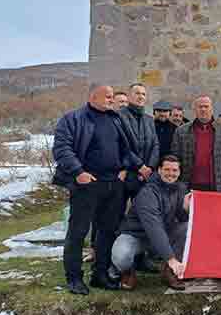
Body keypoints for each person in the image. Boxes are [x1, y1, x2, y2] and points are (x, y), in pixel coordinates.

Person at [53, 85, 140, 295]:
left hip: (113, 185)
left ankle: (99, 275)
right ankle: (74, 278)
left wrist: (132, 167)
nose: (112, 100)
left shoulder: (115, 119)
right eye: (108, 96)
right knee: (78, 232)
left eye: (112, 97)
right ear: (93, 97)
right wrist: (78, 171)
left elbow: (125, 149)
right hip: (87, 184)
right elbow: (61, 149)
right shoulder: (72, 119)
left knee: (107, 231)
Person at [109, 155, 191, 291]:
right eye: (167, 169)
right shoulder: (148, 192)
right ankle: (128, 271)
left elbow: (181, 219)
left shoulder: (180, 188)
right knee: (122, 255)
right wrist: (171, 258)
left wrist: (186, 208)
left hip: (161, 236)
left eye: (174, 170)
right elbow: (154, 227)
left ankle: (168, 271)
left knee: (188, 228)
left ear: (179, 172)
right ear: (159, 170)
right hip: (136, 236)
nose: (171, 174)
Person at [171, 95, 221, 192]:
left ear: (212, 109)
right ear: (194, 109)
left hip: (217, 185)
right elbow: (175, 157)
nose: (203, 109)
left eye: (206, 106)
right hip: (190, 185)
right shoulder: (181, 131)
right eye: (200, 106)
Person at [119, 83, 159, 201]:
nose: (141, 96)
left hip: (146, 176)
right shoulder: (119, 117)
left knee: (143, 212)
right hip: (127, 174)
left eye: (143, 94)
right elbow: (121, 145)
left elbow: (155, 145)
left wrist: (150, 167)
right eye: (137, 93)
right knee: (118, 213)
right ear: (129, 96)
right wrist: (140, 165)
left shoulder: (149, 120)